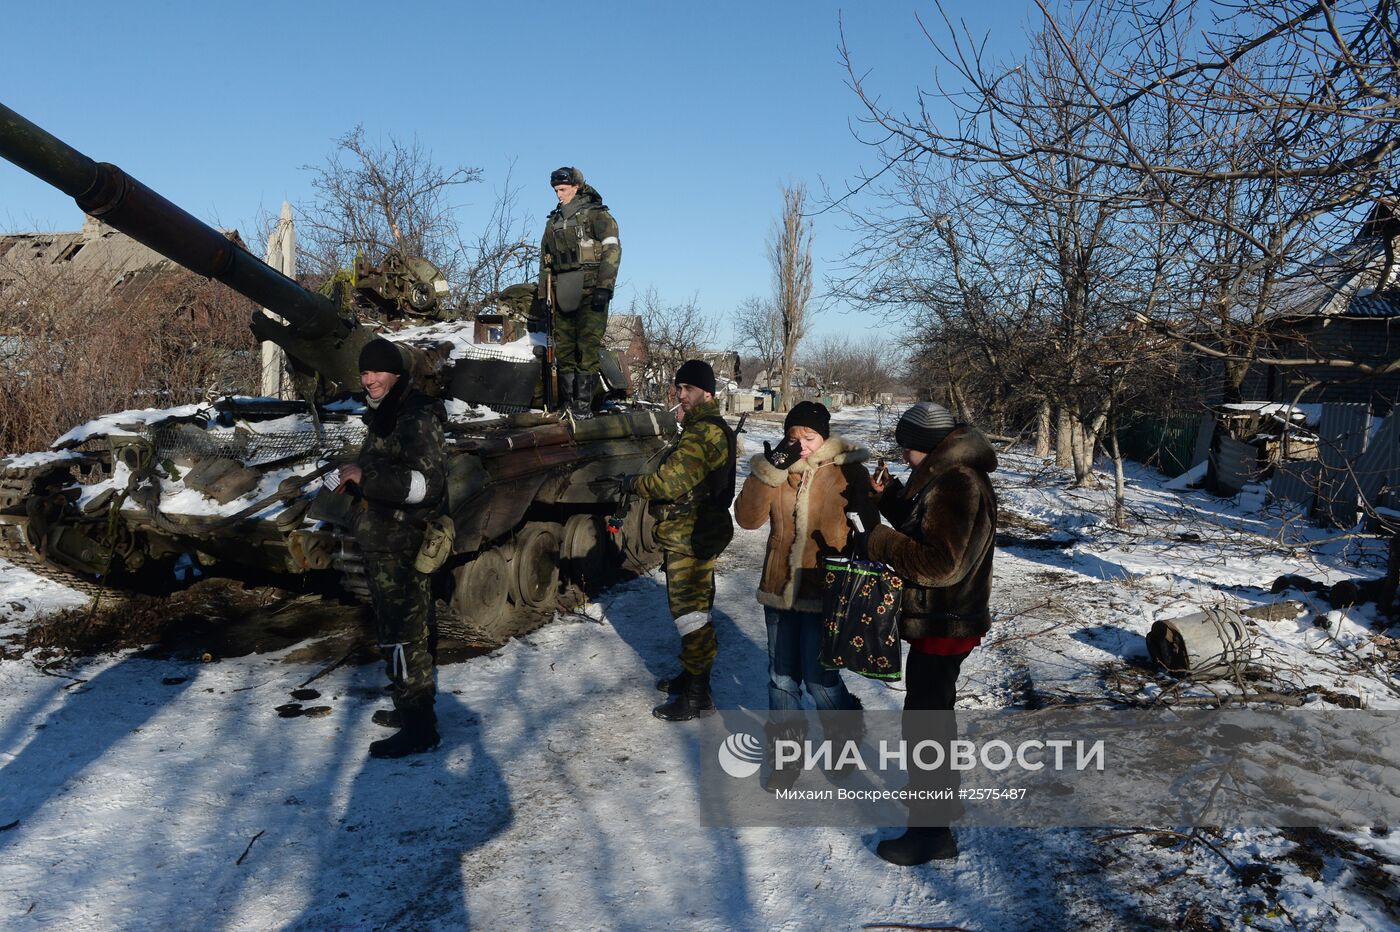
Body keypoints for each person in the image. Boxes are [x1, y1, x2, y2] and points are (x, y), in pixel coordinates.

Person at [864, 401, 997, 865]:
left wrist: (878, 540)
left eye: (908, 450)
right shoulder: (950, 473)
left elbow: (940, 563)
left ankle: (930, 834)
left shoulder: (958, 482)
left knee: (925, 727)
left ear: (927, 447)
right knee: (932, 718)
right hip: (946, 621)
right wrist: (889, 499)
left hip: (945, 621)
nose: (904, 457)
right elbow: (927, 524)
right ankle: (941, 804)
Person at [733, 401, 877, 788]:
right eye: (793, 436)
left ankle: (846, 731)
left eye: (808, 437)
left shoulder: (848, 470)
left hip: (825, 591)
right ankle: (786, 757)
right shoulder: (778, 470)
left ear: (824, 437)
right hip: (778, 587)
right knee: (781, 678)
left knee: (819, 681)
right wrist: (768, 471)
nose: (801, 445)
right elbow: (747, 520)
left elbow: (870, 529)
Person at [597, 360, 736, 721]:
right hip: (689, 534)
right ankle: (693, 679)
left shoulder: (704, 433)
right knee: (694, 613)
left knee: (690, 615)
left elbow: (669, 483)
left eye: (687, 389)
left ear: (707, 392)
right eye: (678, 388)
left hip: (692, 537)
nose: (680, 395)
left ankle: (696, 697)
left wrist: (633, 484)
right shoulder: (698, 429)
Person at [336, 337, 448, 759]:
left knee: (403, 636)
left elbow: (427, 484)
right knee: (397, 632)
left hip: (403, 540)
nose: (369, 380)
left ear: (397, 374)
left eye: (377, 372)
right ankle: (411, 708)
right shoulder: (385, 414)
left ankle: (420, 727)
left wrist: (367, 479)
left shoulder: (416, 415)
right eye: (364, 373)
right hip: (382, 538)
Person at [539, 166, 620, 419]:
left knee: (587, 348)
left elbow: (612, 250)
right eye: (555, 190)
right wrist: (544, 295)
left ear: (576, 187)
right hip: (564, 290)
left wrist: (604, 287)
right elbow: (545, 260)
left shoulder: (597, 216)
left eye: (562, 189)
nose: (558, 195)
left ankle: (583, 407)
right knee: (563, 350)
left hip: (591, 290)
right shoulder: (553, 222)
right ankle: (568, 405)